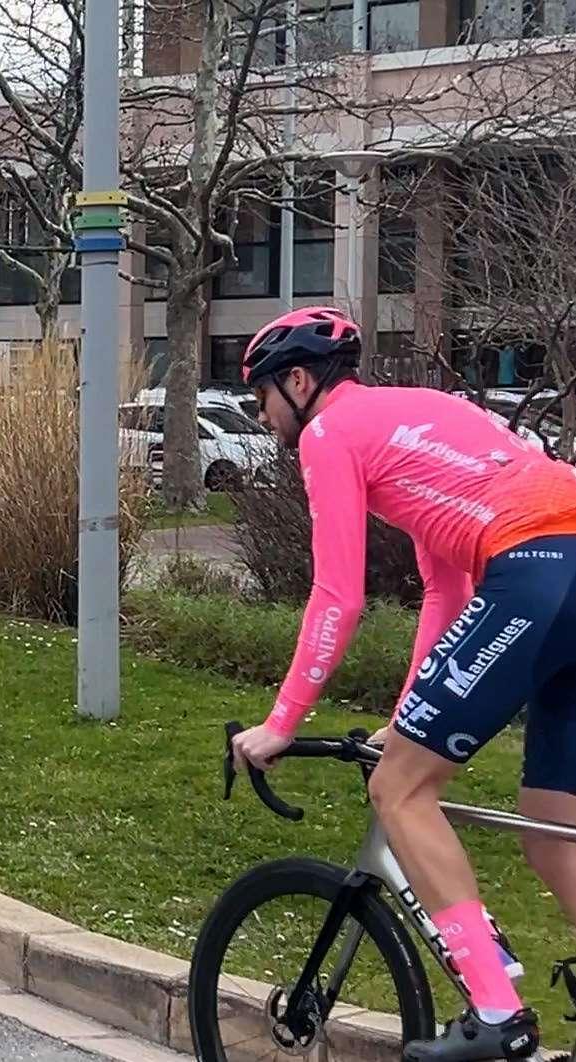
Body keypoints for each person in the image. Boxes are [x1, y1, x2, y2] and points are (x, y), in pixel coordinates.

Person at [226, 307, 576, 1062]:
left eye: (261, 396)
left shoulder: (328, 434)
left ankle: (497, 1012)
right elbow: (444, 594)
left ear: (297, 380)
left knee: (399, 791)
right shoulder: (420, 415)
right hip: (559, 563)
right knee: (553, 830)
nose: (261, 416)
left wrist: (281, 722)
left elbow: (336, 597)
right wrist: (404, 716)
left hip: (535, 568)